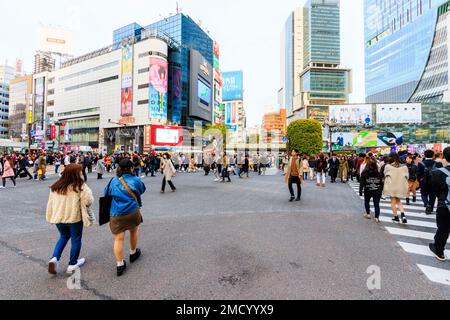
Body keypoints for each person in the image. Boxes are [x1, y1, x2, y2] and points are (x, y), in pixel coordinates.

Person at [46, 164, 94, 275]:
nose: (82, 173)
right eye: (80, 171)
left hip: (59, 217)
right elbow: (88, 201)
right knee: (76, 239)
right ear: (76, 173)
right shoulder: (79, 186)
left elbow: (51, 203)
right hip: (74, 217)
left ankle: (54, 258)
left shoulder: (56, 186)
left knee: (63, 236)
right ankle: (72, 264)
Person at [106, 159, 146, 276]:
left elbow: (106, 193)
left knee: (118, 238)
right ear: (132, 168)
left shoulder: (113, 181)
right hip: (133, 211)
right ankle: (133, 253)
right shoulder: (136, 180)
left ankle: (120, 264)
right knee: (133, 231)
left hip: (117, 213)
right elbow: (142, 190)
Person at [429, 147, 450, 261]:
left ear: (444, 157)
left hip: (445, 205)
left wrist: (431, 205)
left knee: (443, 229)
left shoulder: (437, 173)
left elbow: (434, 192)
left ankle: (439, 251)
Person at [383, 153, 408, 224]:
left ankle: (396, 216)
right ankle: (403, 215)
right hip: (400, 186)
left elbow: (385, 174)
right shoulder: (404, 167)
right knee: (399, 201)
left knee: (393, 202)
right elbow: (407, 176)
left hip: (391, 186)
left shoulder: (388, 166)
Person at [417, 150, 442, 215]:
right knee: (432, 195)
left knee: (423, 194)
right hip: (434, 182)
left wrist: (420, 181)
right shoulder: (438, 163)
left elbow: (418, 174)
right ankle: (430, 209)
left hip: (424, 182)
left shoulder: (421, 163)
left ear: (424, 155)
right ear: (433, 155)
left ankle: (426, 204)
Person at [361, 158, 383, 223]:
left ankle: (368, 214)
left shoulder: (364, 172)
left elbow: (362, 182)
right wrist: (381, 190)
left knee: (367, 201)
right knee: (376, 204)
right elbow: (381, 183)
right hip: (377, 190)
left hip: (368, 189)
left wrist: (360, 190)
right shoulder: (378, 173)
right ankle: (377, 217)